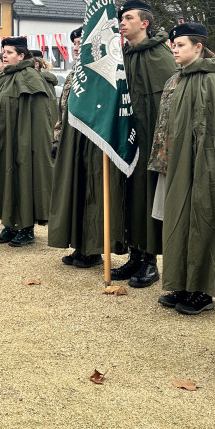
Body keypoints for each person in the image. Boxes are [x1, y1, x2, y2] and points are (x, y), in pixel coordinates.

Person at [149, 23, 215, 315]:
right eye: (174, 44)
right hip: (173, 163)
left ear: (198, 47)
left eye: (181, 44)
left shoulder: (211, 81)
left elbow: (214, 130)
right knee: (177, 224)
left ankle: (202, 290)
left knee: (200, 223)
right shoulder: (175, 79)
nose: (175, 49)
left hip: (200, 165)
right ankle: (180, 282)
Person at [111, 0, 177, 287]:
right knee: (130, 196)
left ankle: (150, 260)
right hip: (126, 142)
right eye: (121, 19)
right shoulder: (121, 55)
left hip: (150, 141)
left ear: (144, 23)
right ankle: (135, 255)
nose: (122, 23)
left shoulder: (160, 56)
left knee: (148, 197)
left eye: (128, 18)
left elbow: (167, 106)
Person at [49, 27, 121, 268]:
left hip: (94, 141)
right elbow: (64, 109)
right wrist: (57, 137)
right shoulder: (74, 74)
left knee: (93, 195)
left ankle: (93, 249)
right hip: (72, 141)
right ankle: (80, 245)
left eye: (81, 43)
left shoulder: (100, 73)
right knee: (76, 193)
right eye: (75, 44)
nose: (77, 47)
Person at [0, 36, 56, 248]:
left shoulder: (30, 78)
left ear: (22, 55)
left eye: (10, 52)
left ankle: (26, 227)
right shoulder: (3, 77)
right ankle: (9, 224)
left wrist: (31, 144)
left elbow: (40, 117)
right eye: (4, 51)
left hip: (23, 142)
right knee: (5, 180)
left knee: (23, 181)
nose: (5, 55)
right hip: (2, 141)